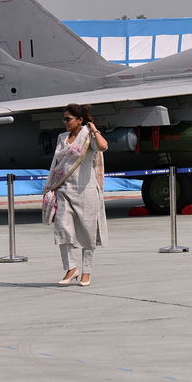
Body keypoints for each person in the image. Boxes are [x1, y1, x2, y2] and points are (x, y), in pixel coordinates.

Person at [45, 104, 111, 285]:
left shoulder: (88, 135)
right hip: (64, 189)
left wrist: (94, 129)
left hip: (86, 191)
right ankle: (71, 268)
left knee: (87, 232)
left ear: (79, 120)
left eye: (68, 119)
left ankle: (87, 272)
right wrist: (50, 186)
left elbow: (104, 146)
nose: (65, 122)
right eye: (64, 119)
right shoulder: (62, 138)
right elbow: (57, 163)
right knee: (62, 229)